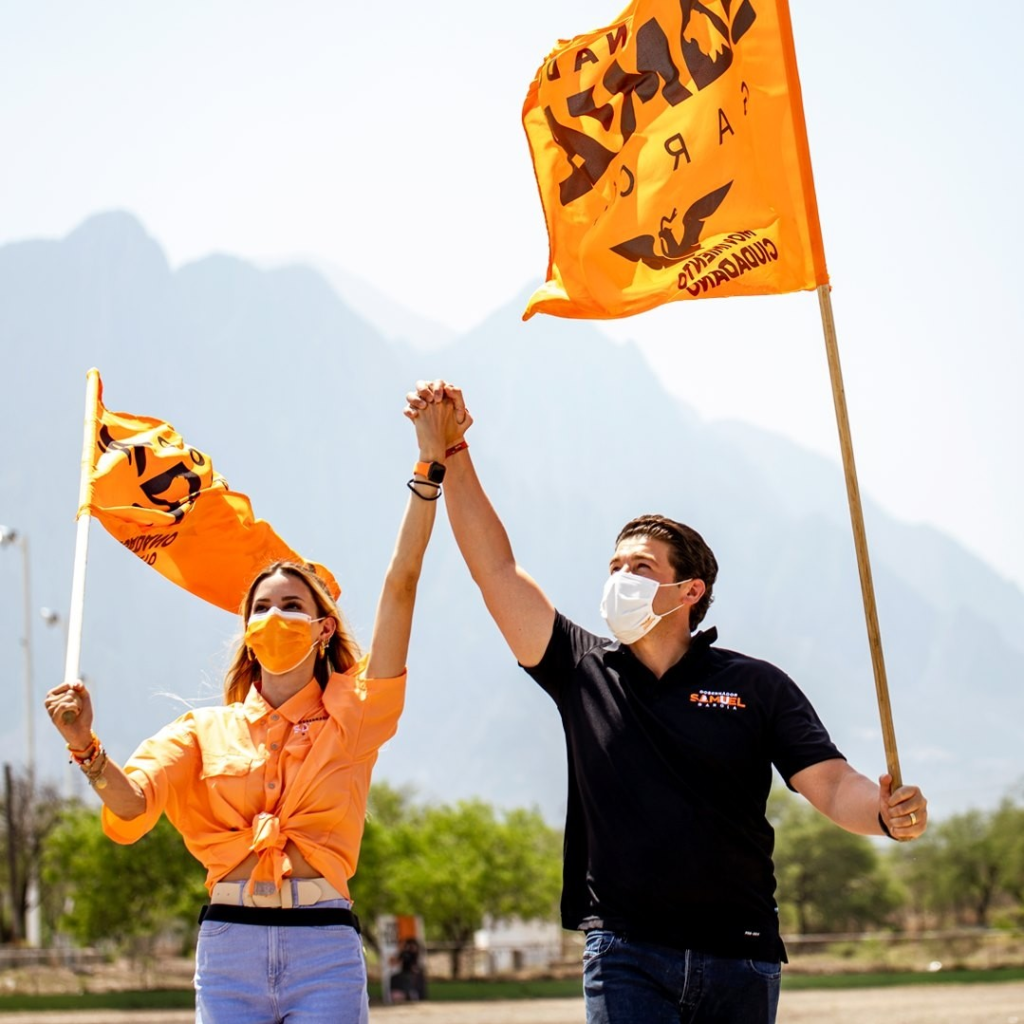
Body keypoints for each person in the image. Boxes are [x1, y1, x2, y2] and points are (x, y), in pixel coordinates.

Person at [404, 379, 928, 1024]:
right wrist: (452, 448)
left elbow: (832, 785)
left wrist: (884, 813)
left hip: (742, 955)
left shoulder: (755, 684)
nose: (619, 579)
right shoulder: (578, 668)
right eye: (615, 565)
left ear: (687, 592)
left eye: (641, 567)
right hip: (625, 953)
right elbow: (496, 570)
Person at [44, 399, 454, 1024]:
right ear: (246, 631)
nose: (273, 617)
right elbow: (130, 806)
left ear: (322, 629)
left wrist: (429, 467)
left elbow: (402, 580)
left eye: (291, 605)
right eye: (260, 608)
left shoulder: (361, 712)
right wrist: (85, 745)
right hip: (228, 952)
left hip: (325, 949)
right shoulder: (201, 733)